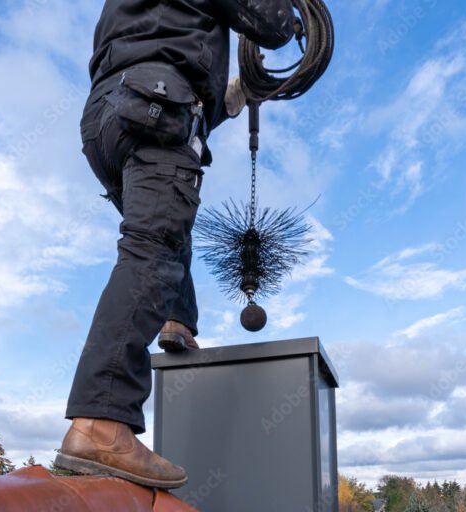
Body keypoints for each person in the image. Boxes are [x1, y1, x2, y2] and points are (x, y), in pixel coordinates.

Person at [55, 0, 295, 489]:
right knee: (153, 250)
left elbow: (162, 49)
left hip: (108, 118)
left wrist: (227, 98)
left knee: (163, 230)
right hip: (155, 107)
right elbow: (272, 24)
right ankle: (101, 423)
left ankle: (177, 320)